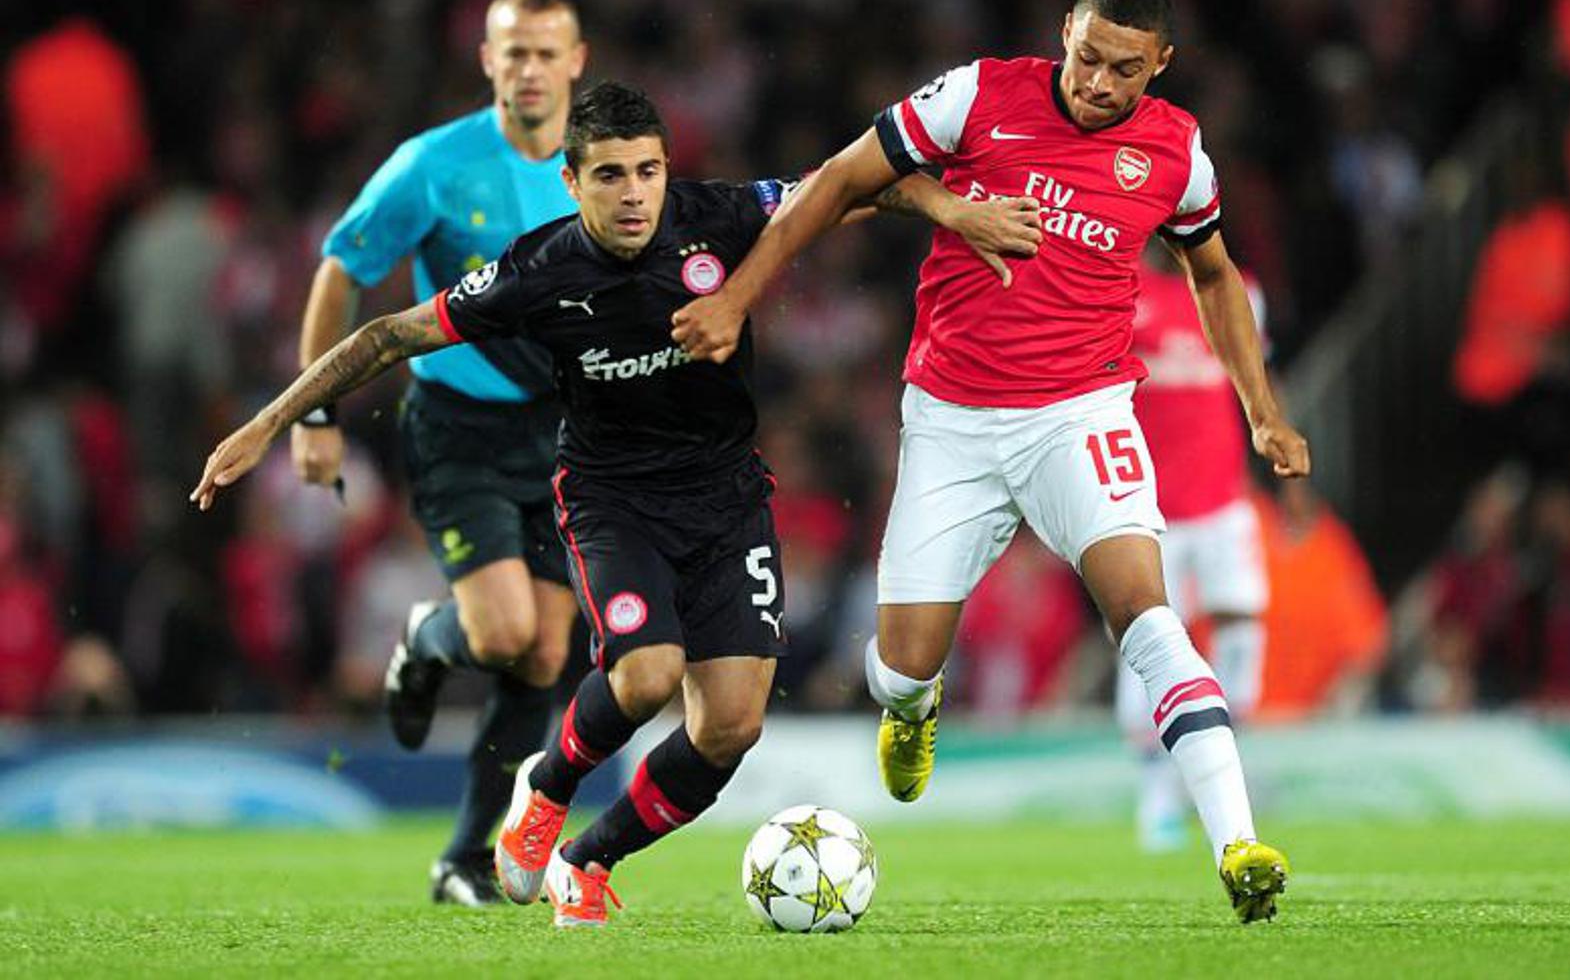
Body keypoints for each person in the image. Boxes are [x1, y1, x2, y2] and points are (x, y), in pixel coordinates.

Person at [194, 81, 1039, 926]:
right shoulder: (537, 270)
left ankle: (588, 859)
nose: (634, 193)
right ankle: (549, 784)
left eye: (647, 171)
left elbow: (856, 183)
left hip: (726, 496)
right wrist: (268, 424)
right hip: (613, 499)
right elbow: (388, 335)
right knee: (646, 675)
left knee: (731, 727)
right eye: (609, 175)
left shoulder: (721, 215)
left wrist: (953, 209)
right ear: (572, 182)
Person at [672, 0, 1311, 923]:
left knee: (1147, 615)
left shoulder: (1178, 153)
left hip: (1081, 414)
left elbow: (1213, 274)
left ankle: (1237, 845)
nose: (1098, 83)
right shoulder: (979, 95)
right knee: (901, 664)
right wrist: (736, 298)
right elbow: (844, 178)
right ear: (1065, 31)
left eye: (1124, 70)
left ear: (1162, 65)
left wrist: (1260, 409)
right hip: (952, 421)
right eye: (1087, 58)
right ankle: (912, 707)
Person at [291, 0, 588, 905]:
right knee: (502, 633)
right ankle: (427, 637)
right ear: (487, 59)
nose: (530, 69)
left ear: (576, 62)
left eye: (546, 53)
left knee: (545, 656)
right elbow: (341, 269)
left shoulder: (600, 168)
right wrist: (314, 416)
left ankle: (464, 856)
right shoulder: (431, 165)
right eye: (514, 52)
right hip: (459, 427)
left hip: (563, 434)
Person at [1117, 241, 1270, 852]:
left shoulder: (1238, 288)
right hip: (1149, 507)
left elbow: (1255, 378)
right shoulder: (1119, 285)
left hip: (1224, 498)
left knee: (1243, 631)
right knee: (1153, 641)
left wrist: (1274, 445)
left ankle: (1219, 769)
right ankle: (1156, 794)